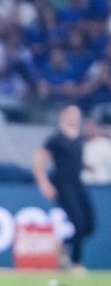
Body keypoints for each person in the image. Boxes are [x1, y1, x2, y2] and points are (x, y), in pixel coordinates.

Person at [32, 105, 95, 269]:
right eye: (71, 114)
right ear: (63, 116)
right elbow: (39, 159)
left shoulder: (78, 137)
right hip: (63, 185)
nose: (75, 118)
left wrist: (87, 167)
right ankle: (76, 263)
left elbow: (74, 159)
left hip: (78, 184)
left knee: (90, 225)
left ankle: (63, 244)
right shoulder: (56, 139)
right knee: (79, 223)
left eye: (77, 115)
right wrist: (44, 183)